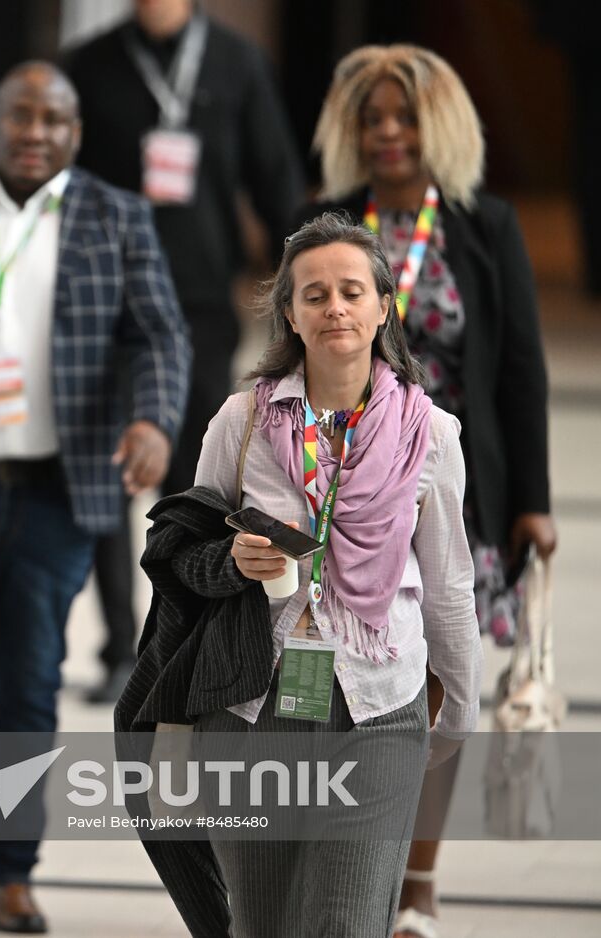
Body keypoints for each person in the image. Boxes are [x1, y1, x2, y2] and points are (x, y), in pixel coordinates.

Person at [0, 61, 190, 932]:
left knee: (29, 686)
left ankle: (11, 870)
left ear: (76, 133)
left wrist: (154, 421)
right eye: (22, 115)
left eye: (54, 120)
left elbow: (160, 330)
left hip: (58, 488)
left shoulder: (115, 216)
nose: (36, 132)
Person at [298, 45, 557, 938]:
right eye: (372, 118)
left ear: (436, 127)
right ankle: (344, 863)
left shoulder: (484, 227)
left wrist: (536, 501)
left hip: (461, 498)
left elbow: (521, 369)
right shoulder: (326, 224)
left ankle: (415, 882)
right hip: (341, 496)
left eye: (405, 117)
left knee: (439, 685)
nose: (389, 134)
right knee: (346, 681)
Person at [191, 212, 481, 937]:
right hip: (252, 707)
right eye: (314, 294)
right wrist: (229, 560)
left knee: (344, 924)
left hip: (378, 706)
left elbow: (448, 584)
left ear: (385, 305)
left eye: (352, 290)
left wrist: (459, 710)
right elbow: (180, 555)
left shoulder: (431, 434)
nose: (335, 308)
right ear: (289, 311)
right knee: (260, 925)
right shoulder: (242, 422)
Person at [65, 0, 304, 702]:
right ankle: (116, 644)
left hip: (199, 300)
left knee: (198, 481)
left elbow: (276, 179)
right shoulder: (92, 66)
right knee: (107, 472)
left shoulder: (235, 63)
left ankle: (183, 633)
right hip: (105, 299)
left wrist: (305, 279)